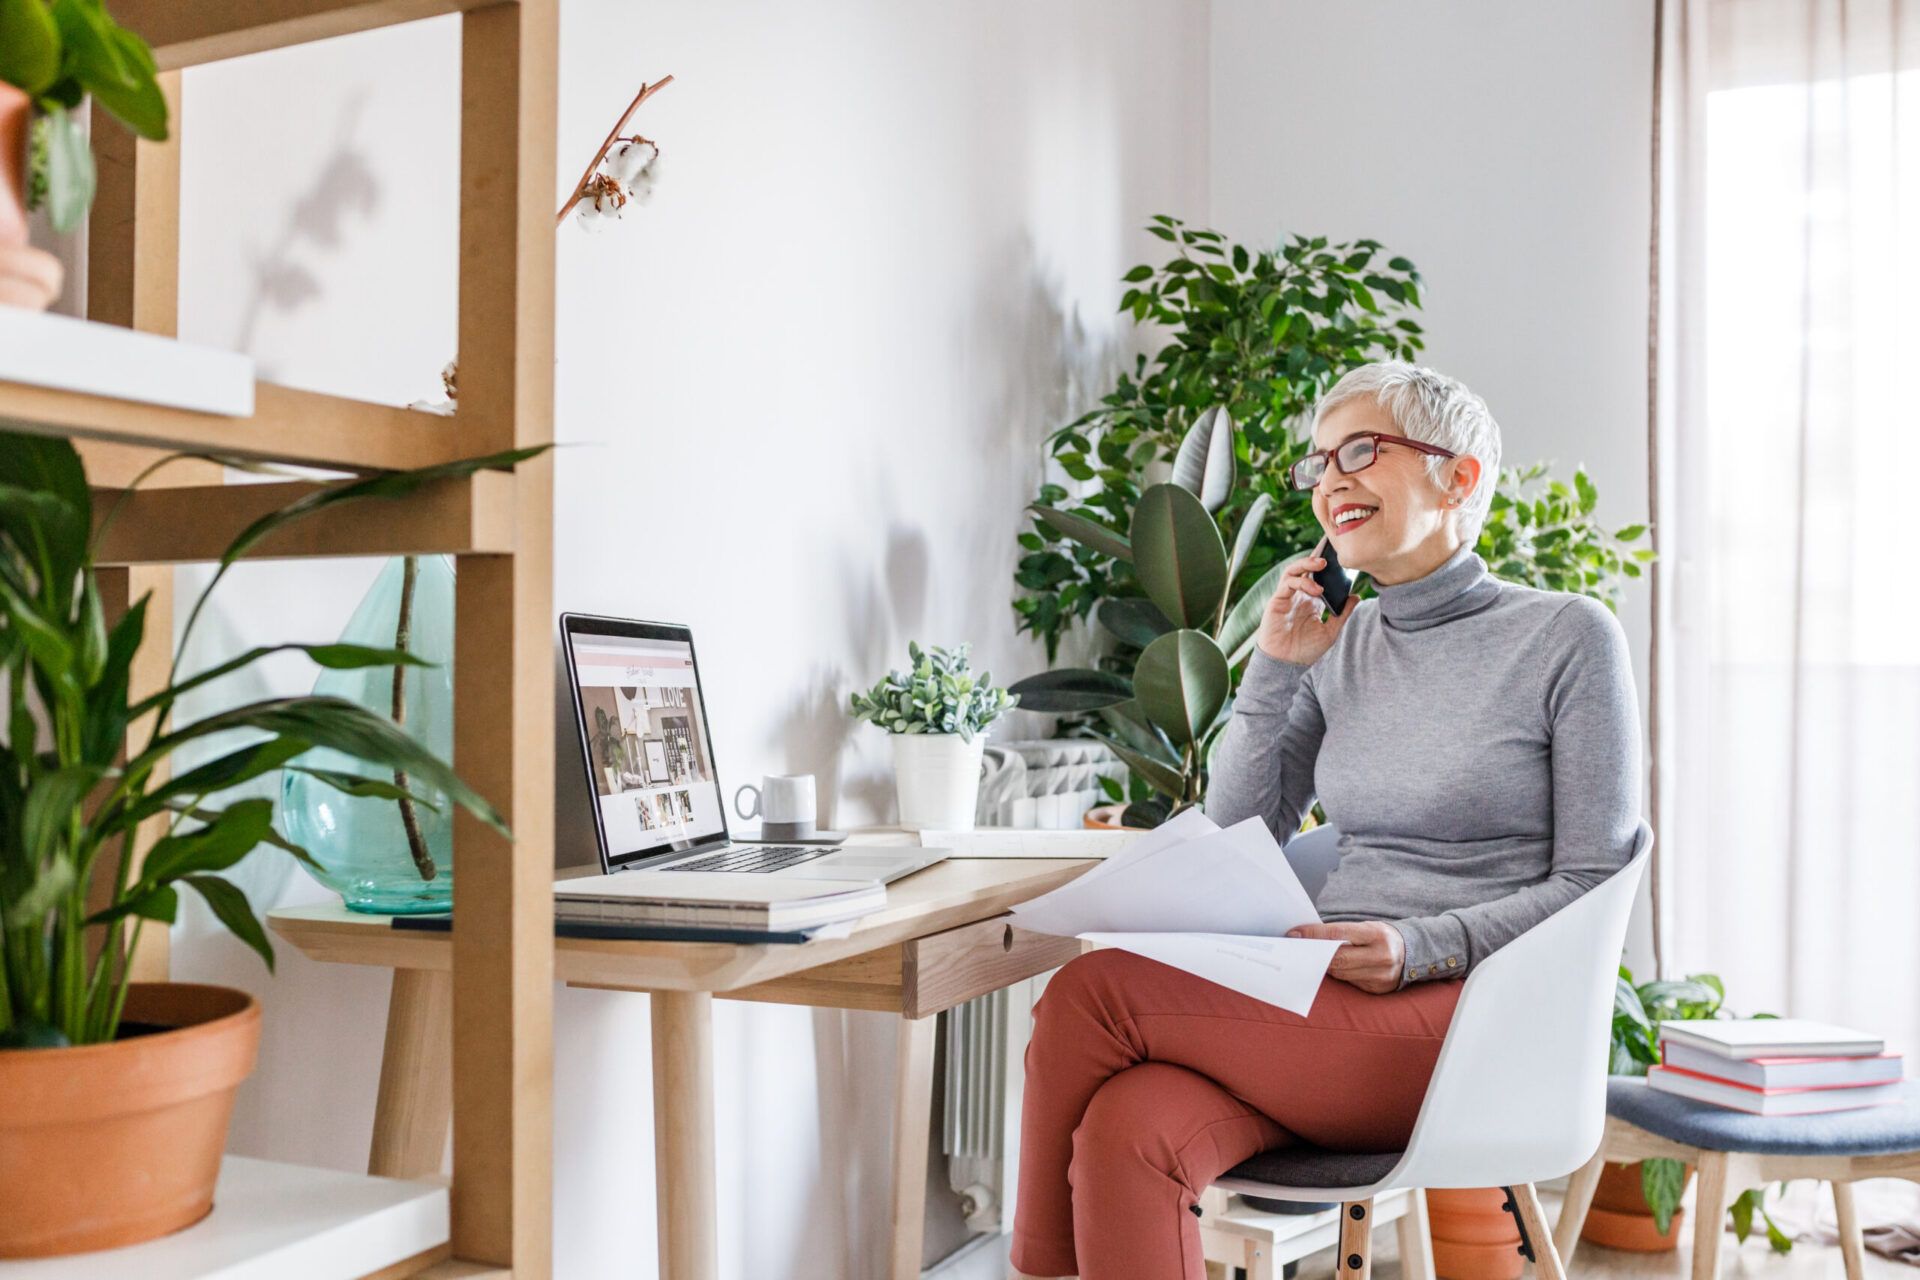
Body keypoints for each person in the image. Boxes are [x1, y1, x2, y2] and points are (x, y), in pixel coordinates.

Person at [1008, 361, 1641, 1280]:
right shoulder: (1338, 646)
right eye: (1318, 465)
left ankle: (1032, 1272)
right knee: (1131, 1123)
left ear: (1457, 477)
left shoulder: (1568, 636)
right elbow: (1237, 838)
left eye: (1360, 452)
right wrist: (1275, 668)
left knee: (1091, 993)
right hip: (1328, 1013)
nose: (1331, 480)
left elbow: (1596, 880)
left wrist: (1422, 945)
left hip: (1475, 1018)